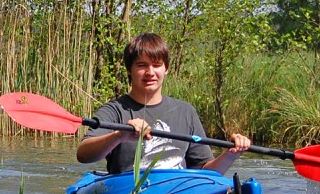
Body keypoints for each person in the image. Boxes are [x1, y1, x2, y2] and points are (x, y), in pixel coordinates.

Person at [76, 33, 251, 174]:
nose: (150, 72)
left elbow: (205, 171)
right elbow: (83, 154)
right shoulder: (114, 111)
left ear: (166, 69)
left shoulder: (186, 111)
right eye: (142, 65)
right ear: (130, 70)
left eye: (157, 65)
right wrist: (119, 135)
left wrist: (230, 154)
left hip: (176, 192)